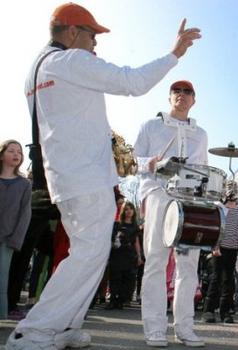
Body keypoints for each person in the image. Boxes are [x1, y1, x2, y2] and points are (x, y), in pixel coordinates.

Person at [7, 3, 201, 350]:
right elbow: (133, 82)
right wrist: (175, 53)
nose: (96, 43)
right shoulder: (71, 61)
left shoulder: (36, 68)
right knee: (87, 255)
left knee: (89, 253)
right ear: (71, 32)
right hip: (85, 176)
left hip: (64, 176)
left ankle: (65, 325)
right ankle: (35, 331)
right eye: (92, 35)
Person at [134, 80, 207, 347]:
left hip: (189, 200)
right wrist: (154, 163)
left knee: (188, 266)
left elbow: (203, 170)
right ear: (169, 97)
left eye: (188, 91)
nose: (182, 95)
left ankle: (184, 327)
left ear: (194, 99)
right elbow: (135, 160)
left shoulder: (201, 133)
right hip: (159, 193)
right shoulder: (151, 125)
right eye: (177, 91)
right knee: (156, 260)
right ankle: (154, 328)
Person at [202, 183, 238, 324]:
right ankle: (208, 311)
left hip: (233, 249)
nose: (232, 192)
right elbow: (215, 227)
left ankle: (225, 312)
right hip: (219, 249)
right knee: (215, 278)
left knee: (228, 281)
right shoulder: (219, 207)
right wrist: (215, 246)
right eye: (229, 189)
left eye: (234, 189)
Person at [0, 140, 32, 320]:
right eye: (11, 150)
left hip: (7, 239)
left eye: (19, 152)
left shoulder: (24, 184)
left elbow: (25, 215)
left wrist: (16, 239)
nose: (16, 154)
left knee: (2, 278)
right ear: (2, 154)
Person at [106, 202, 142, 310]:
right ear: (123, 211)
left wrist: (139, 256)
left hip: (129, 254)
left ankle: (121, 300)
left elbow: (136, 242)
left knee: (127, 278)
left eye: (131, 209)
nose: (129, 211)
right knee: (115, 277)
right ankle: (112, 300)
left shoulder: (135, 226)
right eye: (126, 209)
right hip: (117, 253)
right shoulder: (117, 224)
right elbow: (111, 239)